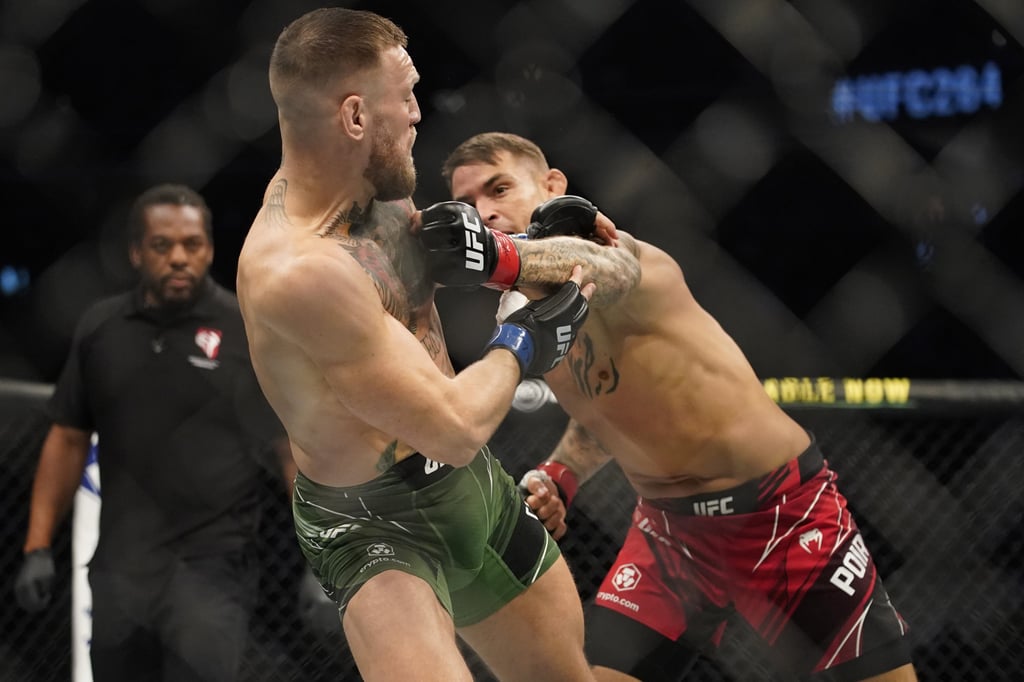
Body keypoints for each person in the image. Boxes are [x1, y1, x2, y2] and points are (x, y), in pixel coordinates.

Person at [438, 131, 918, 682]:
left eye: (498, 188)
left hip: (782, 515)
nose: (485, 212)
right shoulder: (522, 317)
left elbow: (605, 267)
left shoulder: (621, 255)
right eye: (469, 205)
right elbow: (604, 405)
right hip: (670, 535)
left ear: (551, 186)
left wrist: (493, 255)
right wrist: (561, 475)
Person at [235, 9, 597, 682]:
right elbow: (453, 427)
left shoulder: (376, 189)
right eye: (404, 95)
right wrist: (528, 332)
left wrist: (517, 258)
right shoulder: (298, 271)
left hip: (472, 489)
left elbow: (428, 278)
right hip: (376, 525)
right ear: (353, 117)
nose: (417, 113)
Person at [13, 183, 295, 681]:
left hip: (214, 568)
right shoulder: (102, 327)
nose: (180, 258)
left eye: (192, 244)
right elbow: (69, 437)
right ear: (136, 253)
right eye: (163, 246)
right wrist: (37, 545)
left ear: (209, 248)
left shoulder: (244, 330)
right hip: (121, 569)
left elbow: (289, 450)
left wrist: (326, 562)